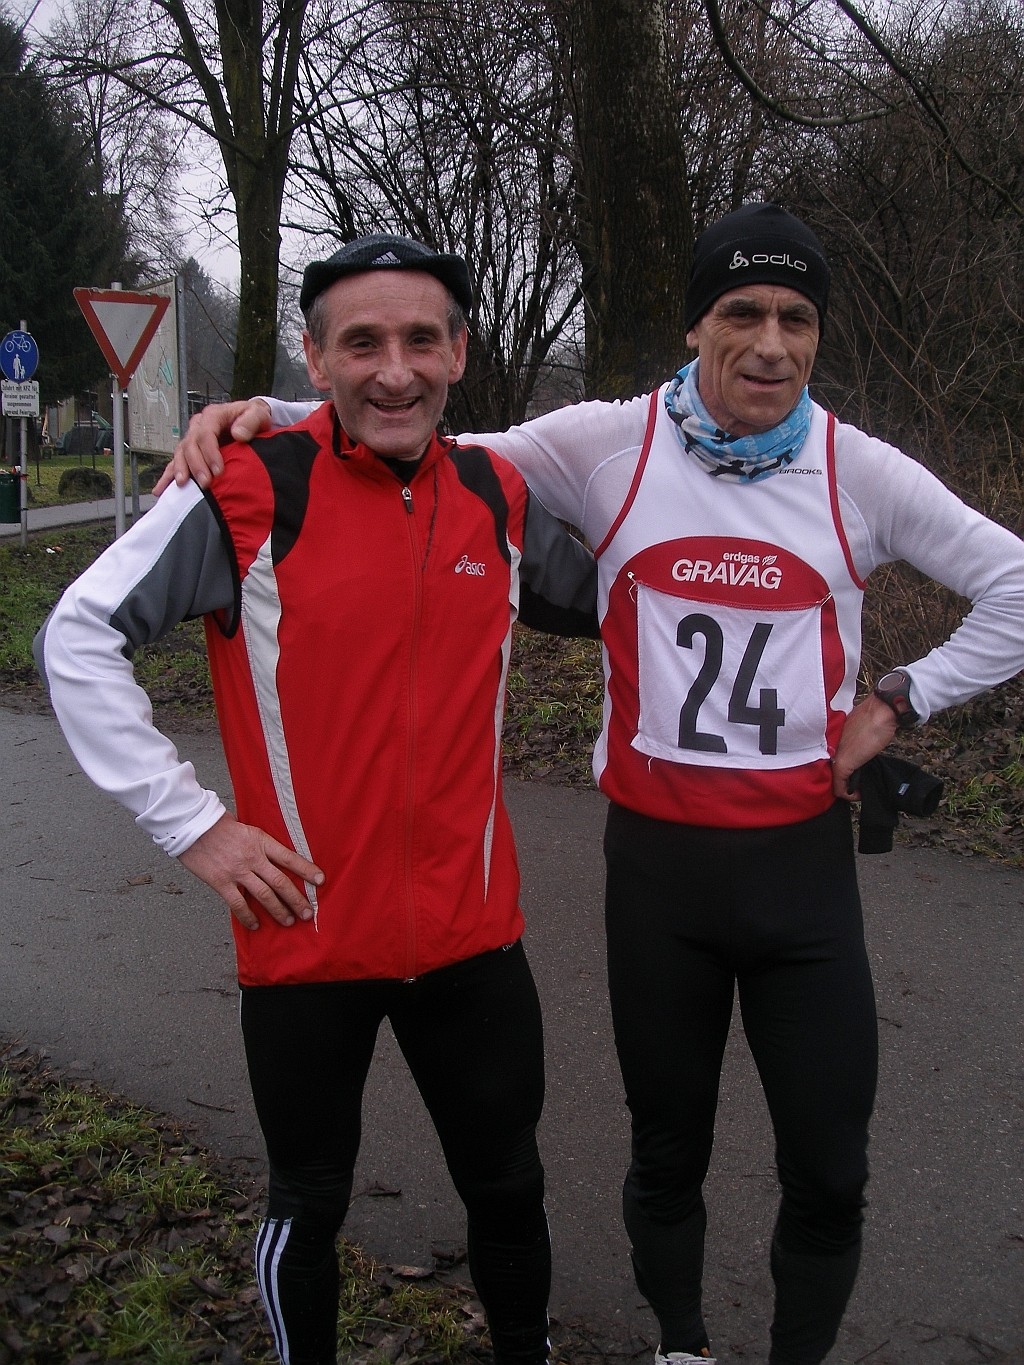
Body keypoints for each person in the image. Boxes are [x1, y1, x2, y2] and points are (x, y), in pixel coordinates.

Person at [166, 204, 1024, 1365]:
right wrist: (276, 421)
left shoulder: (857, 471)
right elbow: (417, 447)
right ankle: (677, 1347)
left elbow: (1013, 586)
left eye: (795, 320)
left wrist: (895, 701)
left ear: (817, 337)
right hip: (656, 872)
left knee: (829, 1166)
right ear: (695, 327)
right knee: (664, 1150)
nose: (769, 344)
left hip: (801, 878)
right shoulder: (608, 442)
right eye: (741, 314)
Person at [35, 234, 601, 1365]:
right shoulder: (246, 489)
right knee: (308, 1197)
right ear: (315, 355)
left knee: (509, 1185)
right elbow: (76, 637)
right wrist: (193, 824)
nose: (394, 369)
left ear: (459, 353)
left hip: (471, 936)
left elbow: (628, 602)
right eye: (362, 343)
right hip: (303, 928)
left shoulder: (500, 491)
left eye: (420, 341)